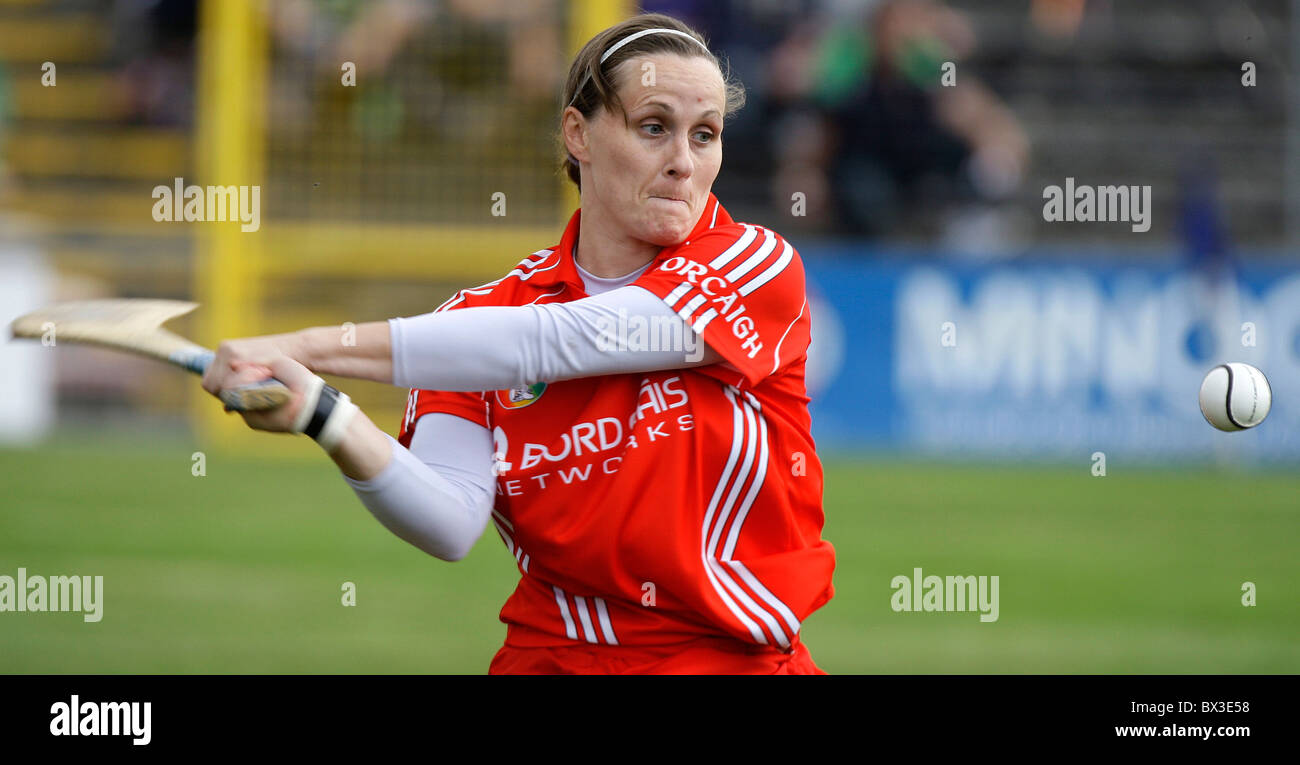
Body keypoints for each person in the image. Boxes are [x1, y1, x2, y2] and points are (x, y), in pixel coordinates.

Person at [200, 12, 835, 675]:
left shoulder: (754, 264)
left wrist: (304, 344)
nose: (683, 161)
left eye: (705, 135)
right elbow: (450, 522)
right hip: (553, 660)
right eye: (654, 127)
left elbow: (562, 340)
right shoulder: (477, 321)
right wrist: (321, 413)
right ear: (577, 134)